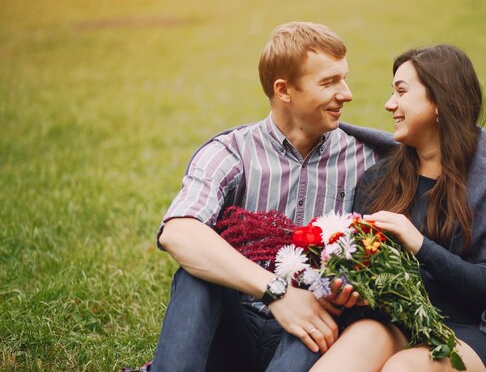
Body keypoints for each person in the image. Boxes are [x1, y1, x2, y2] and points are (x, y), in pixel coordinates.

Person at [150, 22, 395, 372]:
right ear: (284, 90)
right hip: (235, 323)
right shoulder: (231, 152)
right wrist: (277, 292)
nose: (347, 93)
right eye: (328, 82)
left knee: (322, 316)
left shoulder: (369, 159)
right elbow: (178, 231)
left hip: (312, 330)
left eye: (344, 78)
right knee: (195, 276)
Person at [308, 45, 486, 372]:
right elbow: (370, 276)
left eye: (401, 91)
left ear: (439, 101)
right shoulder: (380, 180)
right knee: (356, 345)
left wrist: (422, 246)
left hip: (481, 330)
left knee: (403, 369)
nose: (389, 104)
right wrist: (349, 288)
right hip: (402, 320)